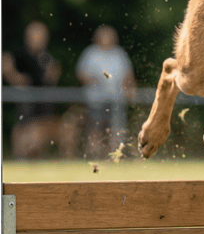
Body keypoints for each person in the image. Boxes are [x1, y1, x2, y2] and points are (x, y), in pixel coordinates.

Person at [76, 25, 136, 157]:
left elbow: (128, 76)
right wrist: (94, 79)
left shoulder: (119, 54)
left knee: (116, 129)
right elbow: (81, 75)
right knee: (95, 129)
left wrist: (130, 89)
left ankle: (115, 154)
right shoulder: (91, 54)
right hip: (95, 100)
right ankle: (94, 154)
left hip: (116, 99)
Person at [3, 21, 62, 120]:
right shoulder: (20, 54)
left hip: (44, 107)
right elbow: (5, 62)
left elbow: (52, 77)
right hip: (26, 107)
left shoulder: (46, 57)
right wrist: (16, 79)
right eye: (39, 35)